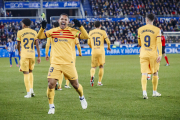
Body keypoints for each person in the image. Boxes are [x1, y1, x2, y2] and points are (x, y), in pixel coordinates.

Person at [37, 13, 89, 114]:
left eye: (65, 19)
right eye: (62, 19)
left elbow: (86, 36)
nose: (63, 20)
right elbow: (39, 36)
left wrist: (80, 26)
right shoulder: (53, 31)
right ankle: (51, 106)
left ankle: (82, 97)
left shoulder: (73, 31)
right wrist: (42, 28)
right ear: (59, 21)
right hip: (55, 63)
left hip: (69, 63)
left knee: (75, 85)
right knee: (51, 84)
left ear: (68, 22)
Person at [138, 13, 162, 99]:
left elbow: (139, 43)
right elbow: (159, 42)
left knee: (144, 73)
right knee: (155, 72)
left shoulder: (140, 29)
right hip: (153, 54)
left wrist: (142, 47)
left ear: (147, 20)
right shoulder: (157, 30)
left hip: (143, 53)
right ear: (153, 20)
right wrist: (160, 54)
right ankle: (154, 92)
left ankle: (144, 92)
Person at [17, 18, 41, 98]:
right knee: (30, 72)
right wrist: (39, 56)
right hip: (32, 55)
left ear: (24, 24)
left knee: (25, 73)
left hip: (24, 54)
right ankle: (31, 90)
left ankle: (28, 93)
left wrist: (19, 52)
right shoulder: (34, 32)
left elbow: (18, 44)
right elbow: (37, 44)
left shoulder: (20, 32)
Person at [55, 23, 82, 90]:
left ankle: (59, 85)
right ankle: (67, 84)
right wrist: (80, 52)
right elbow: (78, 45)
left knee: (60, 69)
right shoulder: (73, 35)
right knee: (70, 69)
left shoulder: (62, 34)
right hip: (71, 55)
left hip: (62, 54)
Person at [88, 21, 111, 86]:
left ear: (94, 25)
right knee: (101, 66)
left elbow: (88, 43)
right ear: (100, 25)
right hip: (101, 51)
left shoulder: (91, 32)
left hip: (94, 51)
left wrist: (92, 47)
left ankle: (92, 76)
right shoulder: (103, 32)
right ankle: (99, 82)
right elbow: (108, 42)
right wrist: (108, 47)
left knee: (93, 66)